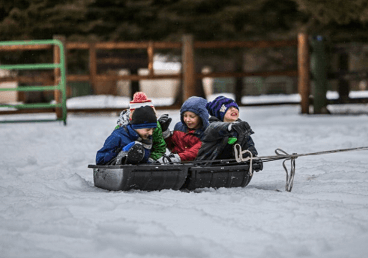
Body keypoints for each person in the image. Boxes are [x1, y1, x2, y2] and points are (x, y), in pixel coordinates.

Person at [196, 96, 260, 168]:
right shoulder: (211, 126)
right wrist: (230, 127)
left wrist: (253, 158)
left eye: (235, 107)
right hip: (206, 167)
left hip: (231, 167)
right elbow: (217, 127)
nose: (233, 110)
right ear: (220, 113)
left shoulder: (240, 127)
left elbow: (248, 145)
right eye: (229, 108)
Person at [115, 92, 166, 161]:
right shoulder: (122, 126)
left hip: (149, 158)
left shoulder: (155, 126)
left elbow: (160, 147)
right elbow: (114, 147)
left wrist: (150, 159)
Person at [158, 96, 209, 163]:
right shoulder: (179, 127)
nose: (187, 120)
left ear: (201, 117)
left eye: (192, 116)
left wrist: (176, 158)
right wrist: (165, 132)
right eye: (185, 116)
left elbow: (195, 152)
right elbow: (173, 146)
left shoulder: (207, 132)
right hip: (178, 166)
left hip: (196, 167)